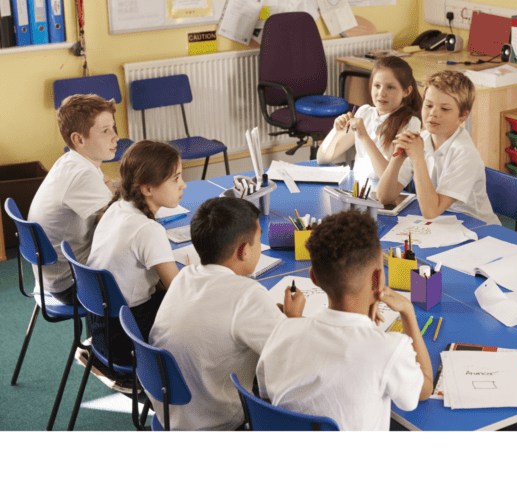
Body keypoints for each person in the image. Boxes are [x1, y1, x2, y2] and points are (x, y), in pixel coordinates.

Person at [256, 209, 433, 431]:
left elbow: (264, 394)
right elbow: (424, 390)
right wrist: (407, 311)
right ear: (378, 279)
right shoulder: (389, 349)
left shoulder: (282, 331)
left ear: (314, 277)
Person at [149, 197, 306, 430]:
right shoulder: (247, 294)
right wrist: (293, 321)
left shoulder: (185, 276)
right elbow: (291, 359)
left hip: (170, 412)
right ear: (243, 250)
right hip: (217, 421)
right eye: (258, 238)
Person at [86, 140, 185, 370]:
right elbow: (180, 291)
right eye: (176, 178)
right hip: (127, 340)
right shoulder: (148, 230)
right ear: (147, 188)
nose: (184, 185)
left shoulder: (116, 208)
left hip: (101, 331)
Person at [376, 70, 499, 225]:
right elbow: (383, 197)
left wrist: (417, 157)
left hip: (479, 229)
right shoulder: (422, 139)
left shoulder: (465, 154)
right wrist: (397, 158)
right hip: (444, 223)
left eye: (445, 109)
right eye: (428, 105)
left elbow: (430, 211)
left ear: (463, 116)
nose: (433, 113)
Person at [27, 94, 117, 305]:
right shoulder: (82, 174)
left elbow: (108, 202)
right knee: (148, 270)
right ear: (79, 139)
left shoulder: (70, 160)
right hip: (73, 284)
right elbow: (120, 223)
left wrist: (109, 199)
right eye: (105, 131)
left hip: (54, 276)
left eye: (113, 128)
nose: (115, 137)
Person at [317, 56, 422, 184]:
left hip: (382, 199)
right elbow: (322, 159)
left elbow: (395, 182)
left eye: (390, 87)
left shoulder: (410, 123)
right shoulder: (364, 113)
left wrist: (365, 138)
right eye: (377, 85)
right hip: (356, 192)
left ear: (406, 91)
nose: (381, 93)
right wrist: (336, 131)